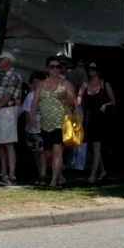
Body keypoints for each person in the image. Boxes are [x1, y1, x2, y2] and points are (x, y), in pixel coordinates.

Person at [31, 56, 76, 188]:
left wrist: (66, 97)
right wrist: (33, 116)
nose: (56, 69)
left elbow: (74, 102)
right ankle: (60, 177)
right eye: (52, 66)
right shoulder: (41, 84)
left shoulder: (66, 84)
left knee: (57, 152)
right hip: (46, 123)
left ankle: (53, 182)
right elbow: (35, 102)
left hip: (61, 122)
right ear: (47, 69)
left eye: (58, 67)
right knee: (48, 153)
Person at [0, 51, 22, 185]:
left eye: (1, 59)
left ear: (8, 61)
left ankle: (11, 174)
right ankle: (3, 173)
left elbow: (8, 95)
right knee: (0, 143)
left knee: (8, 142)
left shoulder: (14, 76)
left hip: (7, 110)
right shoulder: (1, 75)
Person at [78, 62, 115, 183]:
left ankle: (92, 175)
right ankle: (103, 171)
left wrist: (105, 104)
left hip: (103, 118)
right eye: (89, 68)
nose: (91, 70)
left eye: (93, 68)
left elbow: (113, 101)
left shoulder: (104, 84)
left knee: (96, 145)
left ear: (98, 71)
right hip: (91, 118)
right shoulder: (85, 85)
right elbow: (79, 100)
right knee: (94, 147)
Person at [23, 71, 47, 185]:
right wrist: (28, 124)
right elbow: (27, 111)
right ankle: (40, 173)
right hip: (34, 126)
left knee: (43, 151)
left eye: (38, 81)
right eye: (34, 81)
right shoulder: (30, 95)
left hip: (45, 125)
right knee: (36, 152)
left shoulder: (46, 94)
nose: (36, 83)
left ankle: (44, 175)